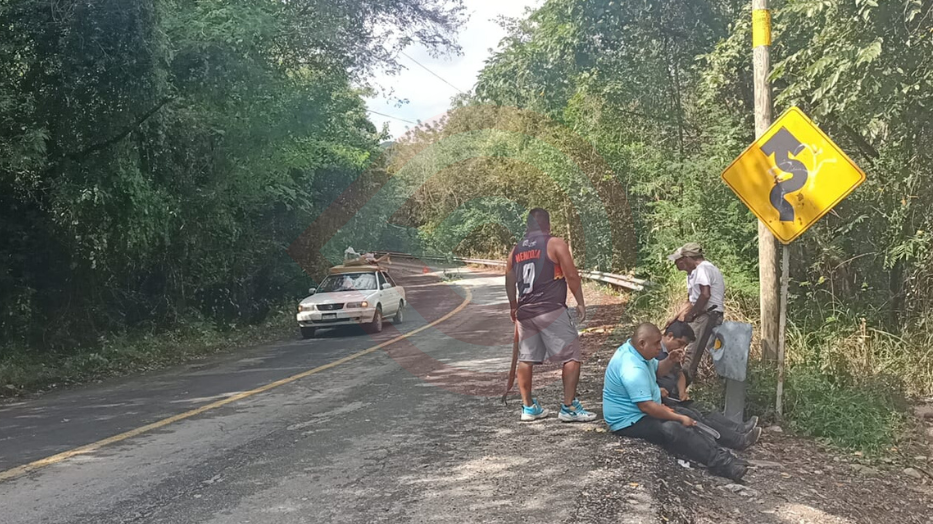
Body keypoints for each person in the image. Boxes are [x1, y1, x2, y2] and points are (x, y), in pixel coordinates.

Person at [603, 323, 749, 481]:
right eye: (656, 344)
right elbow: (646, 406)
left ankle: (724, 456)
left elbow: (657, 370)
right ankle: (723, 464)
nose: (659, 347)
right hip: (628, 421)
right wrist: (678, 418)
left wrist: (670, 360)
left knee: (690, 415)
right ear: (642, 343)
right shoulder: (632, 366)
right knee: (675, 429)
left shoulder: (638, 351)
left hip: (642, 411)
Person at [505, 208, 596, 423]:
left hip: (525, 312)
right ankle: (569, 407)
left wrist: (513, 306)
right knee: (572, 356)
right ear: (548, 225)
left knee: (526, 359)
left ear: (528, 226)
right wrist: (580, 301)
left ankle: (528, 407)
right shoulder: (554, 243)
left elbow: (509, 279)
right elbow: (571, 274)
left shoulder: (515, 250)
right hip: (550, 309)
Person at [658, 321, 761, 448]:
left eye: (685, 345)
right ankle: (738, 441)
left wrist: (682, 391)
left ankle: (739, 429)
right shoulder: (655, 352)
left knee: (704, 408)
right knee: (697, 416)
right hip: (663, 401)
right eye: (680, 343)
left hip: (675, 398)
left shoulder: (672, 353)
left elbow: (679, 374)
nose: (682, 348)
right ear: (669, 336)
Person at [667, 243, 725, 382]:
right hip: (701, 314)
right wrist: (676, 318)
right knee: (679, 345)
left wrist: (691, 314)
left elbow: (705, 295)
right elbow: (691, 300)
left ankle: (682, 386)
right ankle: (675, 381)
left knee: (691, 353)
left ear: (687, 258)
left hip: (708, 315)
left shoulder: (703, 269)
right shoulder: (695, 272)